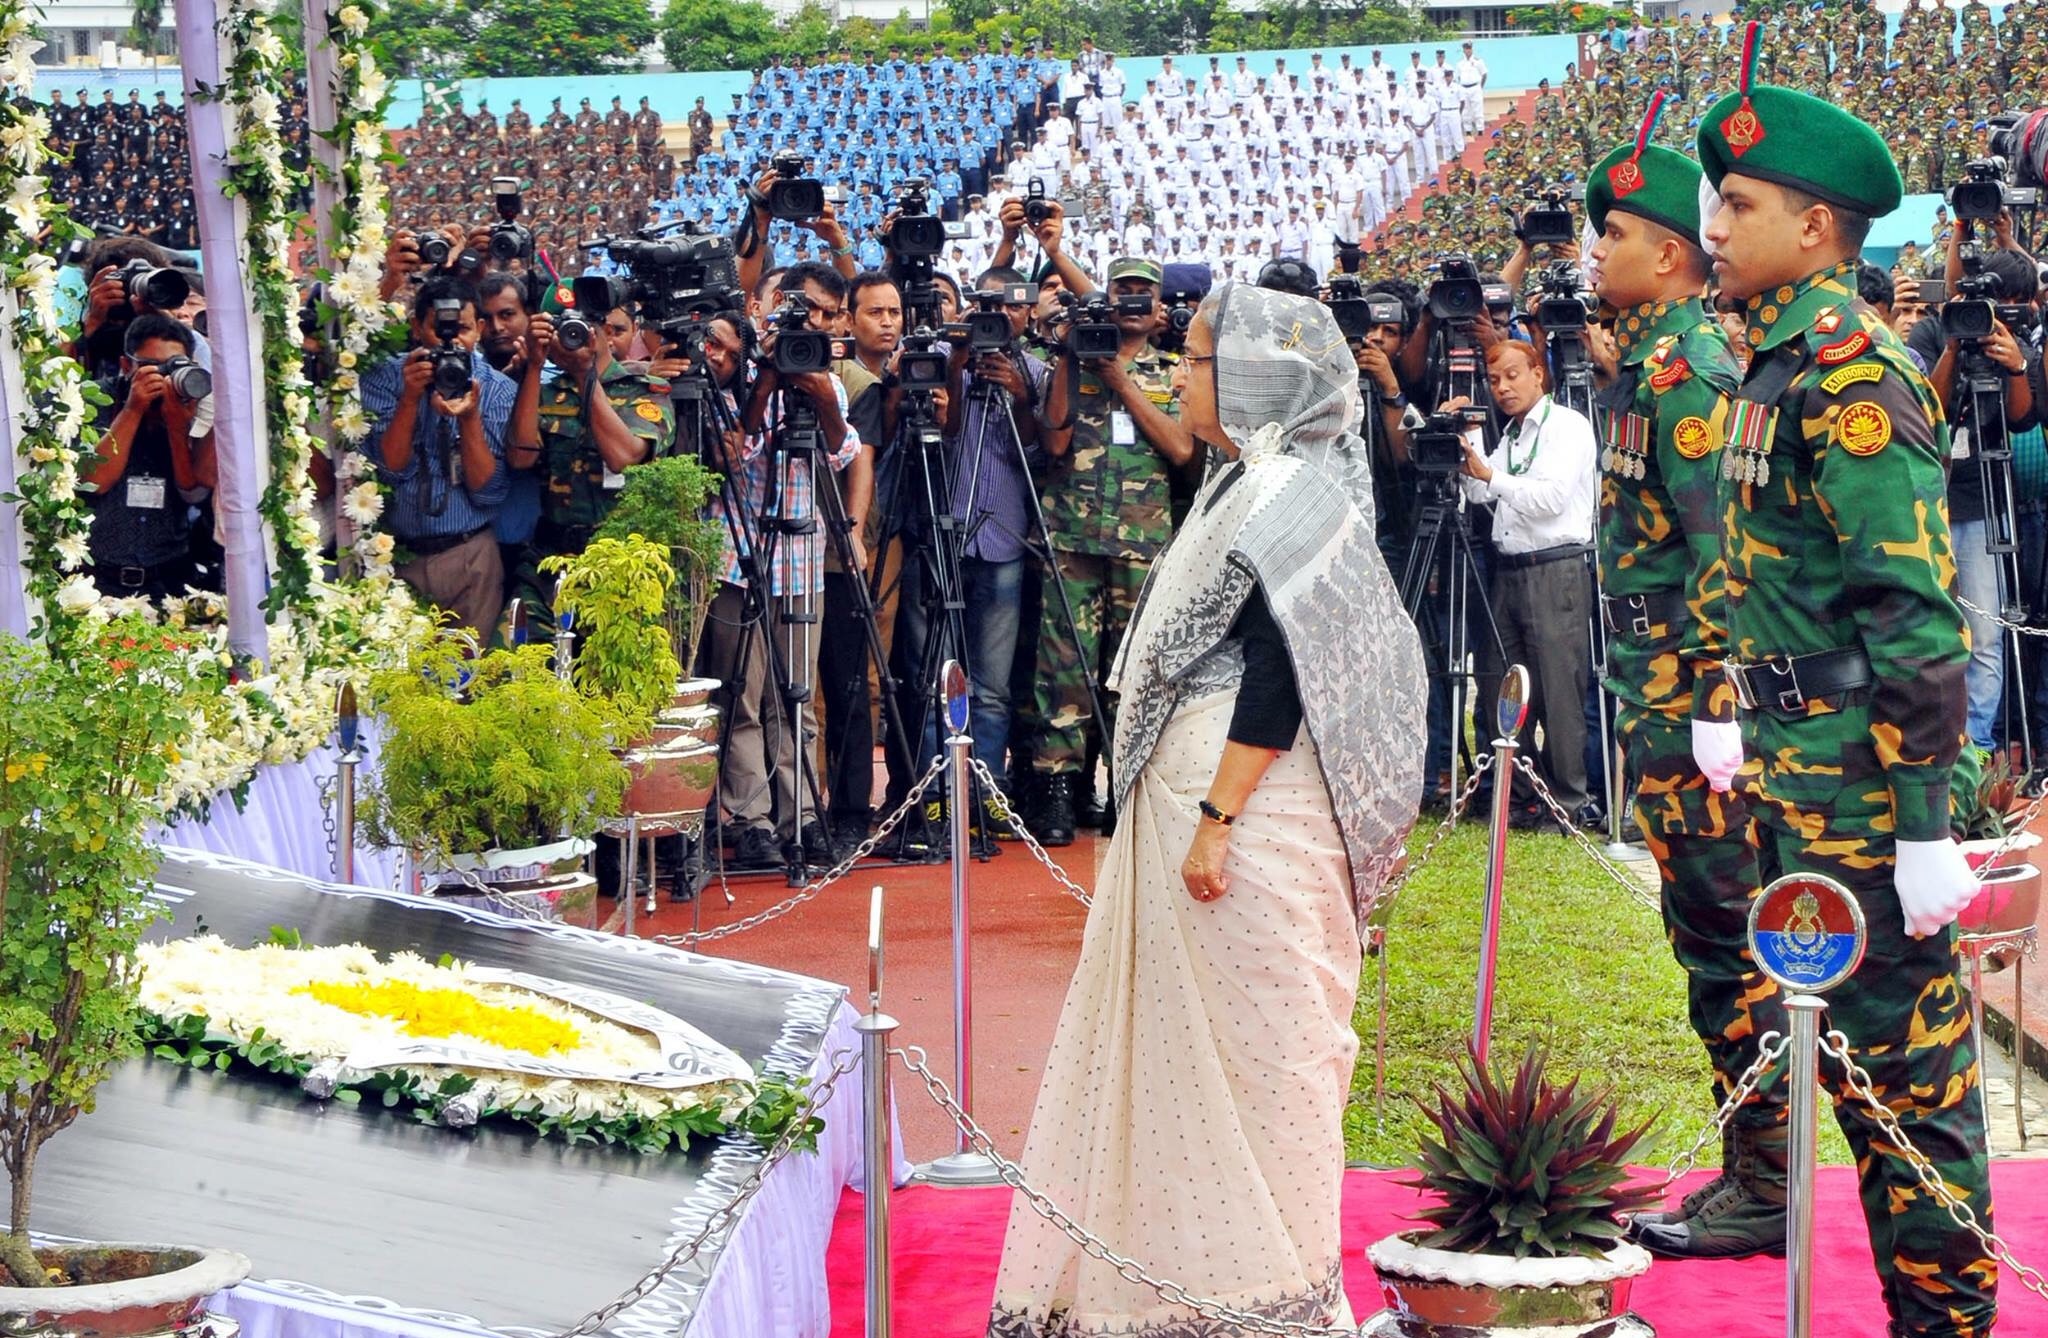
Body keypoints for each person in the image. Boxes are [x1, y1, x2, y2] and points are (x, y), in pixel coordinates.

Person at [989, 283, 1425, 1335]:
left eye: (1191, 358)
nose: (1173, 375)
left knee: (1257, 1057)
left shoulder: (1287, 489)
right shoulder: (1248, 480)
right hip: (1207, 795)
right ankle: (1166, 1287)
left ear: (1256, 377)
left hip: (1243, 809)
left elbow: (1283, 664)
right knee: (1190, 1059)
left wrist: (1218, 817)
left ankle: (1256, 1298)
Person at [1697, 43, 1994, 1337]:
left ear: (1816, 224)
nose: (1712, 227)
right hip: (1799, 766)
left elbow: (1920, 618)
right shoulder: (1778, 360)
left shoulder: (1855, 374)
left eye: (1739, 205)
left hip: (1869, 792)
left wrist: (1927, 821)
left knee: (1909, 1087)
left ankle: (1951, 1324)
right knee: (1863, 1085)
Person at [1581, 106, 1789, 1259]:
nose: (1590, 255)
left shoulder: (1691, 367)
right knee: (1703, 934)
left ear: (1666, 254)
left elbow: (1722, 551)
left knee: (1725, 935)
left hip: (1692, 706)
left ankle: (1765, 1183)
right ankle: (1746, 1164)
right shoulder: (1656, 361)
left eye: (1610, 234)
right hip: (1656, 692)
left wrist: (1716, 708)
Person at [1454, 341, 1599, 822]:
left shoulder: (1567, 427)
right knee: (1502, 686)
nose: (1503, 388)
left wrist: (1490, 474)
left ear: (1539, 373)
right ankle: (1512, 797)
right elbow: (1477, 491)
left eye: (1513, 375)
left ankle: (1568, 803)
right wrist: (1468, 434)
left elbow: (1552, 499)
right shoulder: (1513, 434)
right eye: (1494, 380)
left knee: (1559, 691)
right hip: (1510, 570)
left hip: (1556, 569)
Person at [361, 276, 516, 639]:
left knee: (470, 677)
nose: (452, 342)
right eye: (439, 330)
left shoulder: (497, 389)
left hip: (470, 554)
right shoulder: (386, 377)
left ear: (478, 329)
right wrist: (410, 399)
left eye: (461, 330)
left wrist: (469, 418)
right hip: (398, 557)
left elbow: (488, 491)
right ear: (417, 327)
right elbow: (391, 469)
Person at [83, 313, 217, 601]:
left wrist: (177, 426)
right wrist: (133, 409)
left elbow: (193, 492)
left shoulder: (195, 401)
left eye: (173, 366)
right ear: (125, 365)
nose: (164, 376)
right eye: (151, 367)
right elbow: (92, 482)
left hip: (167, 577)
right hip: (95, 577)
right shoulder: (95, 399)